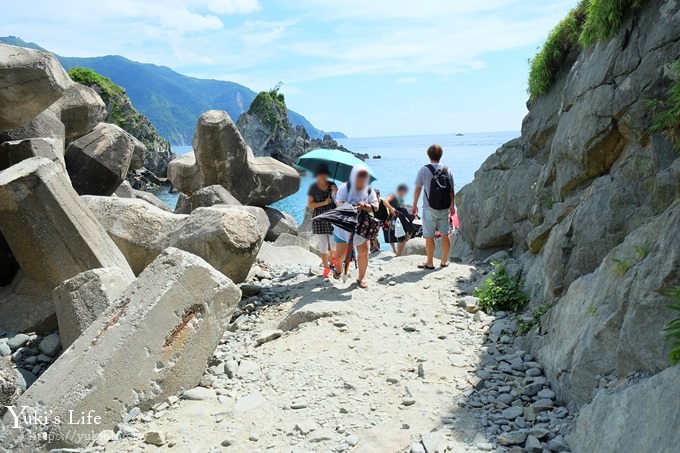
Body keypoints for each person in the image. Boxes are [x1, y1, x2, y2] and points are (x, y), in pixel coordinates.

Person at [333, 164, 379, 288]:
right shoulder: (345, 187)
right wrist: (350, 206)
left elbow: (376, 205)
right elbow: (338, 202)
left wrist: (364, 206)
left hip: (361, 226)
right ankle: (338, 269)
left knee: (363, 252)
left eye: (364, 177)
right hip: (343, 226)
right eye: (359, 176)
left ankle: (361, 278)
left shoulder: (369, 190)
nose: (362, 179)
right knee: (340, 255)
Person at [412, 144, 455, 269]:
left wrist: (414, 205)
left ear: (428, 155)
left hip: (429, 207)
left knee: (429, 236)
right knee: (445, 234)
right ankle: (444, 261)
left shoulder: (424, 170)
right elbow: (452, 190)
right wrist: (452, 205)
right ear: (441, 155)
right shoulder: (448, 170)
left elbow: (418, 189)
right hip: (445, 207)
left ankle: (429, 262)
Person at [307, 163, 337, 276]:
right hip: (319, 218)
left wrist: (336, 192)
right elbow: (310, 204)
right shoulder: (313, 188)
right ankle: (326, 268)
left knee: (334, 245)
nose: (322, 176)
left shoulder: (332, 185)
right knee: (323, 246)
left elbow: (338, 201)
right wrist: (324, 202)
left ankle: (333, 261)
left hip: (332, 217)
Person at [383, 184, 414, 256]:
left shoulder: (400, 198)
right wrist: (391, 208)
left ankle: (398, 252)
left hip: (401, 216)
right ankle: (396, 251)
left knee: (407, 232)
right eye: (404, 191)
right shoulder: (393, 195)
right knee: (400, 234)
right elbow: (385, 201)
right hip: (396, 216)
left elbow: (401, 206)